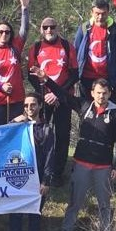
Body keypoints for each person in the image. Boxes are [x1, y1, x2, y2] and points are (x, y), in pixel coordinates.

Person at [34, 70, 116, 231]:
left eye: (105, 93)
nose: (101, 96)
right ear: (92, 93)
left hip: (103, 167)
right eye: (98, 92)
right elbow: (62, 94)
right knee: (75, 203)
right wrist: (47, 80)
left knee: (104, 204)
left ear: (110, 94)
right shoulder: (84, 105)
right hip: (82, 163)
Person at [6, 93, 56, 231]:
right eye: (26, 105)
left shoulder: (47, 129)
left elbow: (50, 156)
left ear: (40, 106)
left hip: (38, 177)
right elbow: (2, 137)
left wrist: (46, 180)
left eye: (33, 104)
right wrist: (13, 122)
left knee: (35, 212)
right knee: (16, 212)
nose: (29, 108)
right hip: (19, 176)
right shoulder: (17, 126)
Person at [27, 16, 78, 182]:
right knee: (42, 135)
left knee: (62, 135)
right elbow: (31, 76)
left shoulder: (66, 46)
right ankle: (42, 171)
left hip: (63, 98)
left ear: (57, 28)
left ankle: (57, 173)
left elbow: (74, 74)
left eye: (52, 27)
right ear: (41, 29)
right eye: (46, 27)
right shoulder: (35, 48)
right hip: (44, 98)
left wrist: (57, 93)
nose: (49, 30)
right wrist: (44, 95)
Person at [74, 0, 116, 104]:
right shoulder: (84, 28)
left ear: (108, 13)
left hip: (108, 79)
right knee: (87, 112)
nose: (100, 17)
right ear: (92, 13)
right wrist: (77, 75)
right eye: (97, 14)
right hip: (87, 79)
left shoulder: (115, 29)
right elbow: (75, 52)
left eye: (103, 14)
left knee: (109, 112)